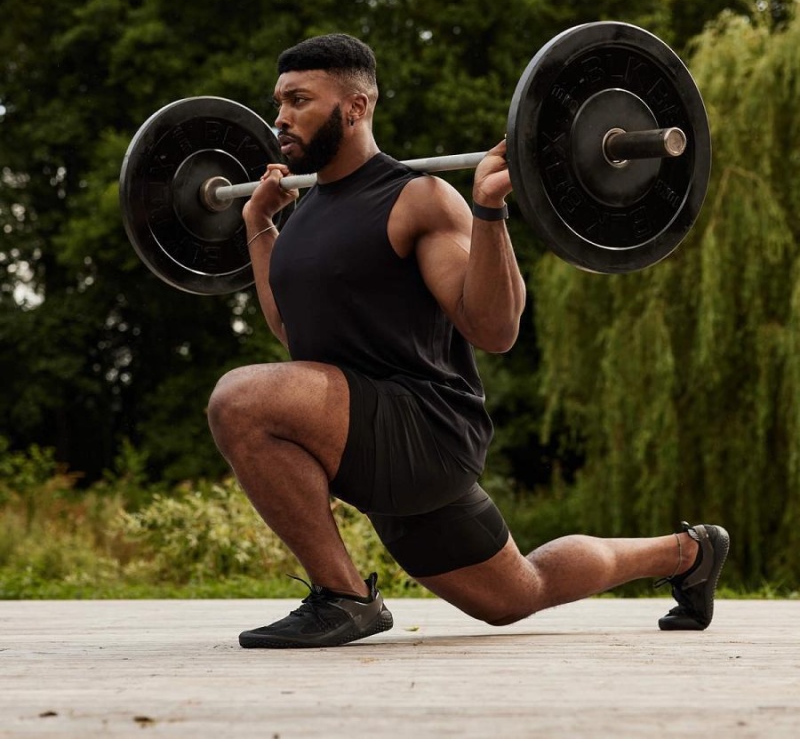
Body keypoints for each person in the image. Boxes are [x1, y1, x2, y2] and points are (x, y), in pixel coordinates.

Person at [207, 33, 729, 649]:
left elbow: (495, 330)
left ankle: (345, 598)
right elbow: (291, 332)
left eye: (299, 100)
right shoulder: (305, 212)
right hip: (363, 431)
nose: (281, 118)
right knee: (516, 594)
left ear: (355, 108)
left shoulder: (417, 198)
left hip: (423, 428)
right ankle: (689, 552)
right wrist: (259, 225)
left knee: (237, 398)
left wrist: (487, 208)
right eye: (279, 102)